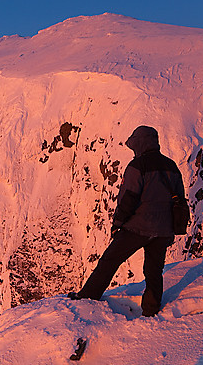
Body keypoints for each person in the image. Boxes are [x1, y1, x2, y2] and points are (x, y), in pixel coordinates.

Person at [69, 125, 185, 317]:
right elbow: (179, 199)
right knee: (154, 270)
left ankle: (88, 296)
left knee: (110, 260)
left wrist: (118, 223)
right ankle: (151, 309)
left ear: (140, 143)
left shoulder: (138, 166)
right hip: (163, 229)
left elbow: (128, 197)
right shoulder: (171, 166)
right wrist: (173, 228)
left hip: (138, 227)